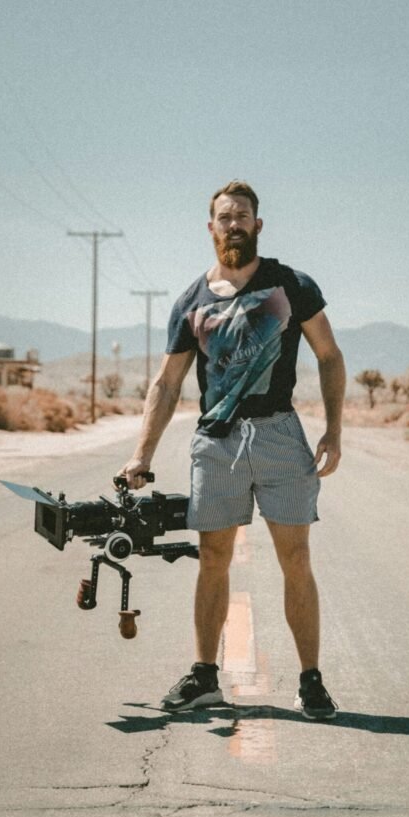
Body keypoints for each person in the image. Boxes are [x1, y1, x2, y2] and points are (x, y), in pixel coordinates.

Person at [118, 180, 346, 719]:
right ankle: (204, 677)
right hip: (215, 444)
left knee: (296, 559)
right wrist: (140, 454)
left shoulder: (290, 285)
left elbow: (330, 356)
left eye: (243, 215)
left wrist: (334, 431)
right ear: (211, 227)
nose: (234, 223)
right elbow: (167, 383)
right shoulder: (191, 301)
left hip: (278, 436)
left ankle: (311, 681)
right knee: (213, 559)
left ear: (258, 224)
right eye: (225, 216)